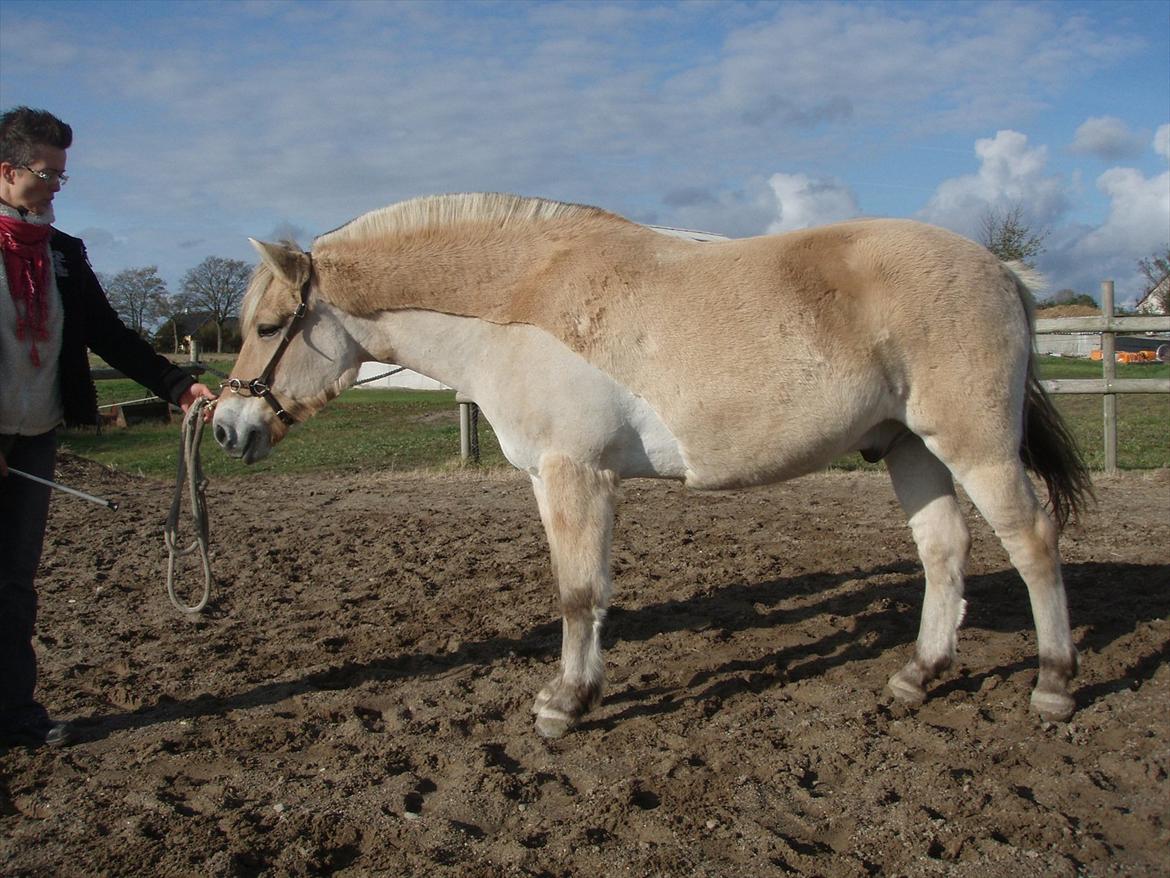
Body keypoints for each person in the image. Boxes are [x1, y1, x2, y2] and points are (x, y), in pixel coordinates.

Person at [0, 106, 216, 749]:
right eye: (49, 175)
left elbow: (109, 335)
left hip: (33, 436)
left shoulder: (62, 254)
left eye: (62, 176)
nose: (58, 188)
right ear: (7, 172)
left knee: (14, 583)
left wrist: (178, 385)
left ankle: (15, 716)